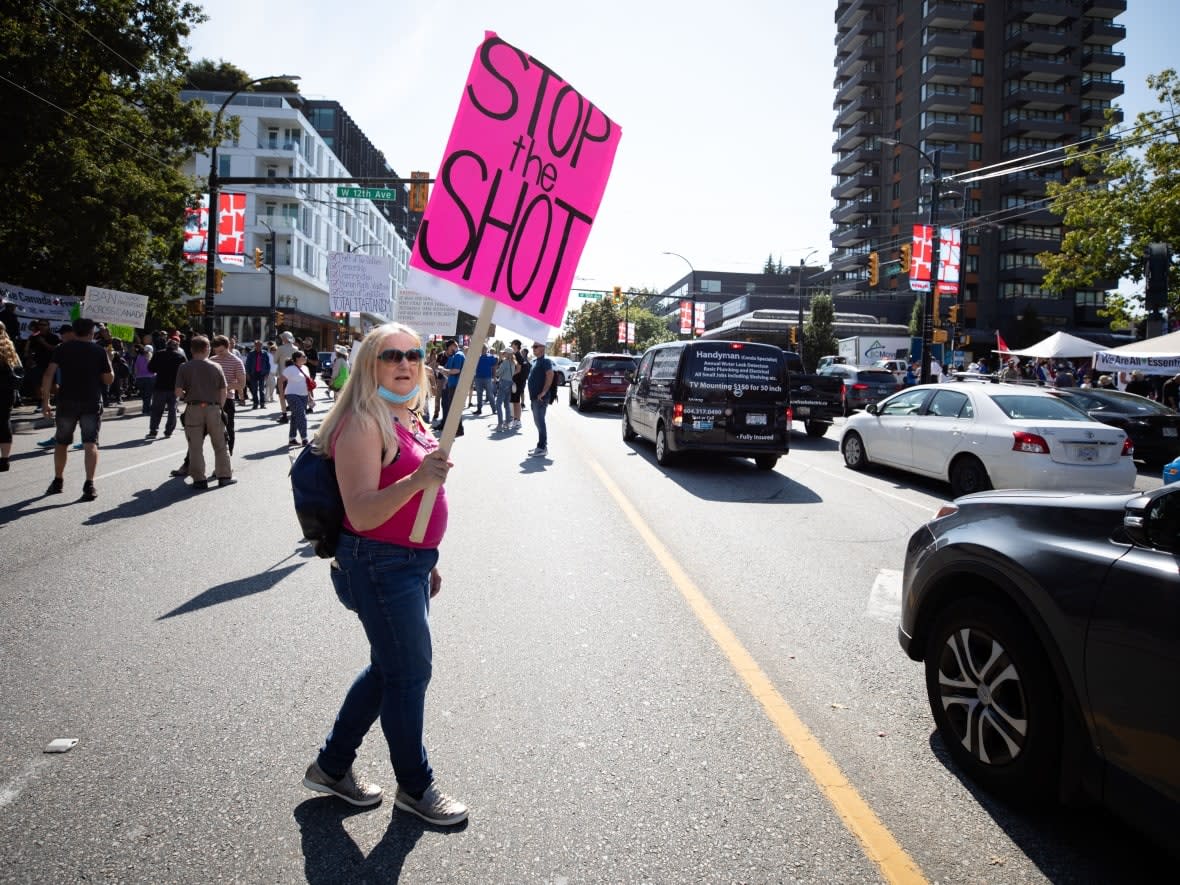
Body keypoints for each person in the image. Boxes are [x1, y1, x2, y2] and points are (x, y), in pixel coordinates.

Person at [301, 321, 467, 826]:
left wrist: (427, 559)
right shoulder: (362, 422)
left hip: (408, 564)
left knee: (388, 670)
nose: (404, 363)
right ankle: (415, 787)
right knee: (409, 674)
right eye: (391, 355)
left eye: (413, 355)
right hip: (377, 563)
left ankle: (331, 767)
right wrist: (420, 479)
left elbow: (416, 506)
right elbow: (363, 513)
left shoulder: (408, 416)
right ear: (369, 364)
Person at [41, 317, 113, 500]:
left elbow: (49, 374)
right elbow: (108, 379)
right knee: (90, 443)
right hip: (90, 401)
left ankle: (58, 480)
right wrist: (109, 362)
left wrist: (45, 402)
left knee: (61, 443)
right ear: (91, 332)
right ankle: (89, 485)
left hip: (66, 401)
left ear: (74, 331)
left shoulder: (62, 349)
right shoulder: (99, 351)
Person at [174, 335, 232, 490]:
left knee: (195, 446)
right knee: (220, 443)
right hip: (213, 407)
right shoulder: (216, 367)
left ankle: (199, 479)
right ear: (207, 349)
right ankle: (224, 476)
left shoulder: (184, 367)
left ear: (191, 350)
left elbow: (178, 391)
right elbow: (223, 390)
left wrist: (188, 397)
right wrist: (219, 407)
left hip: (193, 408)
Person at [210, 335, 246, 455]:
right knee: (201, 431)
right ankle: (188, 462)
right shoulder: (212, 360)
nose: (219, 353)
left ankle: (228, 456)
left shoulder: (236, 361)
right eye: (216, 351)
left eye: (221, 351)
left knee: (228, 429)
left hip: (227, 399)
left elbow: (241, 384)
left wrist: (224, 387)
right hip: (210, 399)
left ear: (227, 347)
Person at [147, 335, 186, 438]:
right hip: (174, 387)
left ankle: (153, 430)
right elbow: (185, 372)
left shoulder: (158, 354)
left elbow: (151, 369)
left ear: (167, 345)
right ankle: (168, 431)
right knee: (172, 410)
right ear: (177, 347)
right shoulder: (180, 357)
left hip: (160, 386)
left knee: (156, 410)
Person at [279, 349, 314, 446]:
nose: (305, 358)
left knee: (295, 416)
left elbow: (307, 383)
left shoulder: (306, 368)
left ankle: (292, 438)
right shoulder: (290, 369)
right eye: (303, 356)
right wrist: (282, 394)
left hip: (304, 395)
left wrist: (310, 397)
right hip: (292, 394)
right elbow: (280, 380)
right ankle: (305, 438)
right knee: (302, 416)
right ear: (297, 358)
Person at [0, 326, 23, 471]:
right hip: (7, 391)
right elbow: (18, 367)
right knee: (4, 422)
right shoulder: (9, 346)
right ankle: (4, 459)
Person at [526, 340, 554, 457]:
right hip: (534, 398)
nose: (533, 348)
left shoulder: (546, 361)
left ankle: (542, 447)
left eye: (536, 346)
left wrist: (543, 392)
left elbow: (550, 375)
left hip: (540, 398)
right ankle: (541, 446)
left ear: (542, 348)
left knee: (540, 422)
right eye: (533, 346)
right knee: (538, 422)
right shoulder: (535, 361)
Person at [439, 339, 465, 436]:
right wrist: (443, 371)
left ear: (454, 345)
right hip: (452, 385)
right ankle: (458, 430)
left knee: (454, 409)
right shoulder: (454, 356)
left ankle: (458, 430)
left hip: (456, 385)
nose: (448, 350)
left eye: (449, 348)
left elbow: (456, 370)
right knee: (454, 408)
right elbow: (449, 371)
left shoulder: (458, 355)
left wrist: (443, 369)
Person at [244, 338, 270, 409]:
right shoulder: (251, 353)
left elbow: (268, 364)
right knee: (254, 389)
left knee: (261, 389)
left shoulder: (265, 353)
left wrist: (267, 373)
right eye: (257, 345)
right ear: (255, 346)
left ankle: (262, 403)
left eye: (260, 345)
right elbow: (247, 364)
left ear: (262, 346)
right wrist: (248, 374)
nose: (258, 347)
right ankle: (255, 403)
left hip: (262, 373)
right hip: (253, 373)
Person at [510, 339, 529, 429]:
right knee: (515, 402)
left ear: (516, 346)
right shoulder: (518, 355)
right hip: (517, 382)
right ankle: (515, 420)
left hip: (517, 383)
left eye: (512, 344)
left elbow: (518, 369)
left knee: (516, 402)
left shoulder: (517, 355)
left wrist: (510, 375)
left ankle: (518, 421)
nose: (511, 346)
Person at [473, 344, 496, 415]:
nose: (483, 350)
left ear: (486, 349)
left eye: (484, 349)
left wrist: (494, 376)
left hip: (487, 378)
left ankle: (494, 409)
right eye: (482, 349)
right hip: (478, 378)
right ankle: (479, 409)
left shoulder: (491, 357)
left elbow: (494, 367)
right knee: (479, 394)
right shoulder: (476, 357)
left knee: (490, 394)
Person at [494, 348, 514, 430]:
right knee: (506, 405)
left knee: (498, 404)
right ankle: (507, 423)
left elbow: (498, 373)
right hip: (510, 383)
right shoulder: (512, 363)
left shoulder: (505, 362)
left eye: (504, 353)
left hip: (503, 383)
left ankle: (500, 424)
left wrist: (496, 370)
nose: (503, 354)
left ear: (508, 354)